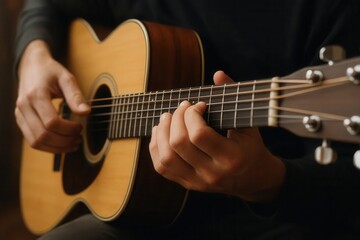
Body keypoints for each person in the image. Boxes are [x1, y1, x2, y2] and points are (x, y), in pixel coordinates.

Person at [14, 0, 360, 239]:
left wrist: (268, 181)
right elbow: (46, 5)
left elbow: (347, 184)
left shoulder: (331, 9)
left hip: (272, 221)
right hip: (143, 215)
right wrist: (32, 59)